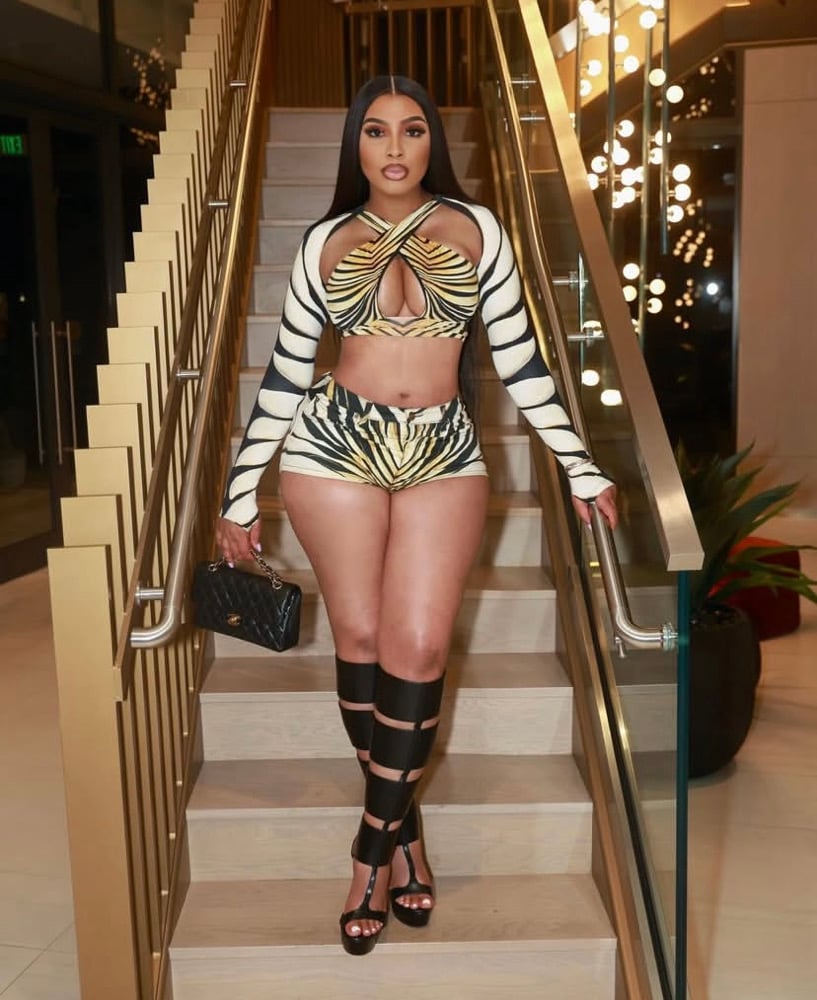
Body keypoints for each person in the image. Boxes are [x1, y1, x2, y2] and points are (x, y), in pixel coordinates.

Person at [216, 74, 618, 956]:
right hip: (332, 446)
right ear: (354, 145)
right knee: (361, 639)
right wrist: (241, 491)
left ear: (433, 140)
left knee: (421, 648)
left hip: (441, 449)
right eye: (375, 131)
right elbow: (285, 371)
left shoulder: (477, 229)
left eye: (411, 130)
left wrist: (579, 466)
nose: (394, 147)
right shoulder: (324, 239)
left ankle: (369, 850)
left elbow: (521, 360)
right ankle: (406, 835)